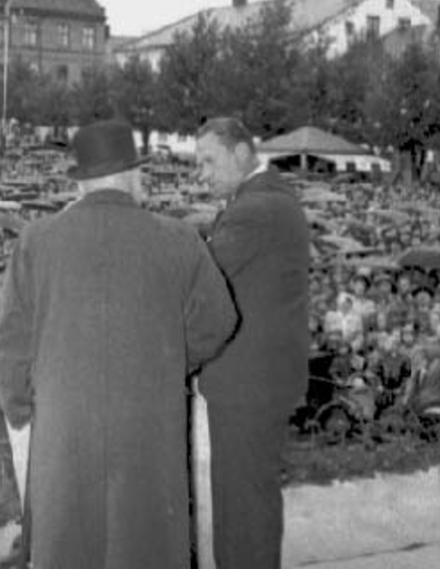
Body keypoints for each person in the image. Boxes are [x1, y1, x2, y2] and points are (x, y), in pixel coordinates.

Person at [0, 119, 236, 569]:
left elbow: (9, 343)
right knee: (146, 543)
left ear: (81, 181)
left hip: (63, 429)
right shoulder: (179, 238)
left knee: (67, 543)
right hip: (150, 424)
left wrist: (22, 407)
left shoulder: (36, 242)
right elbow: (220, 321)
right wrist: (169, 360)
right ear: (133, 175)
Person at [193, 117, 311, 569]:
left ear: (241, 153)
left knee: (243, 509)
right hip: (257, 382)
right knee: (246, 503)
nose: (201, 174)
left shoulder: (254, 209)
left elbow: (202, 275)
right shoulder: (267, 199)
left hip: (248, 385)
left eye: (209, 161)